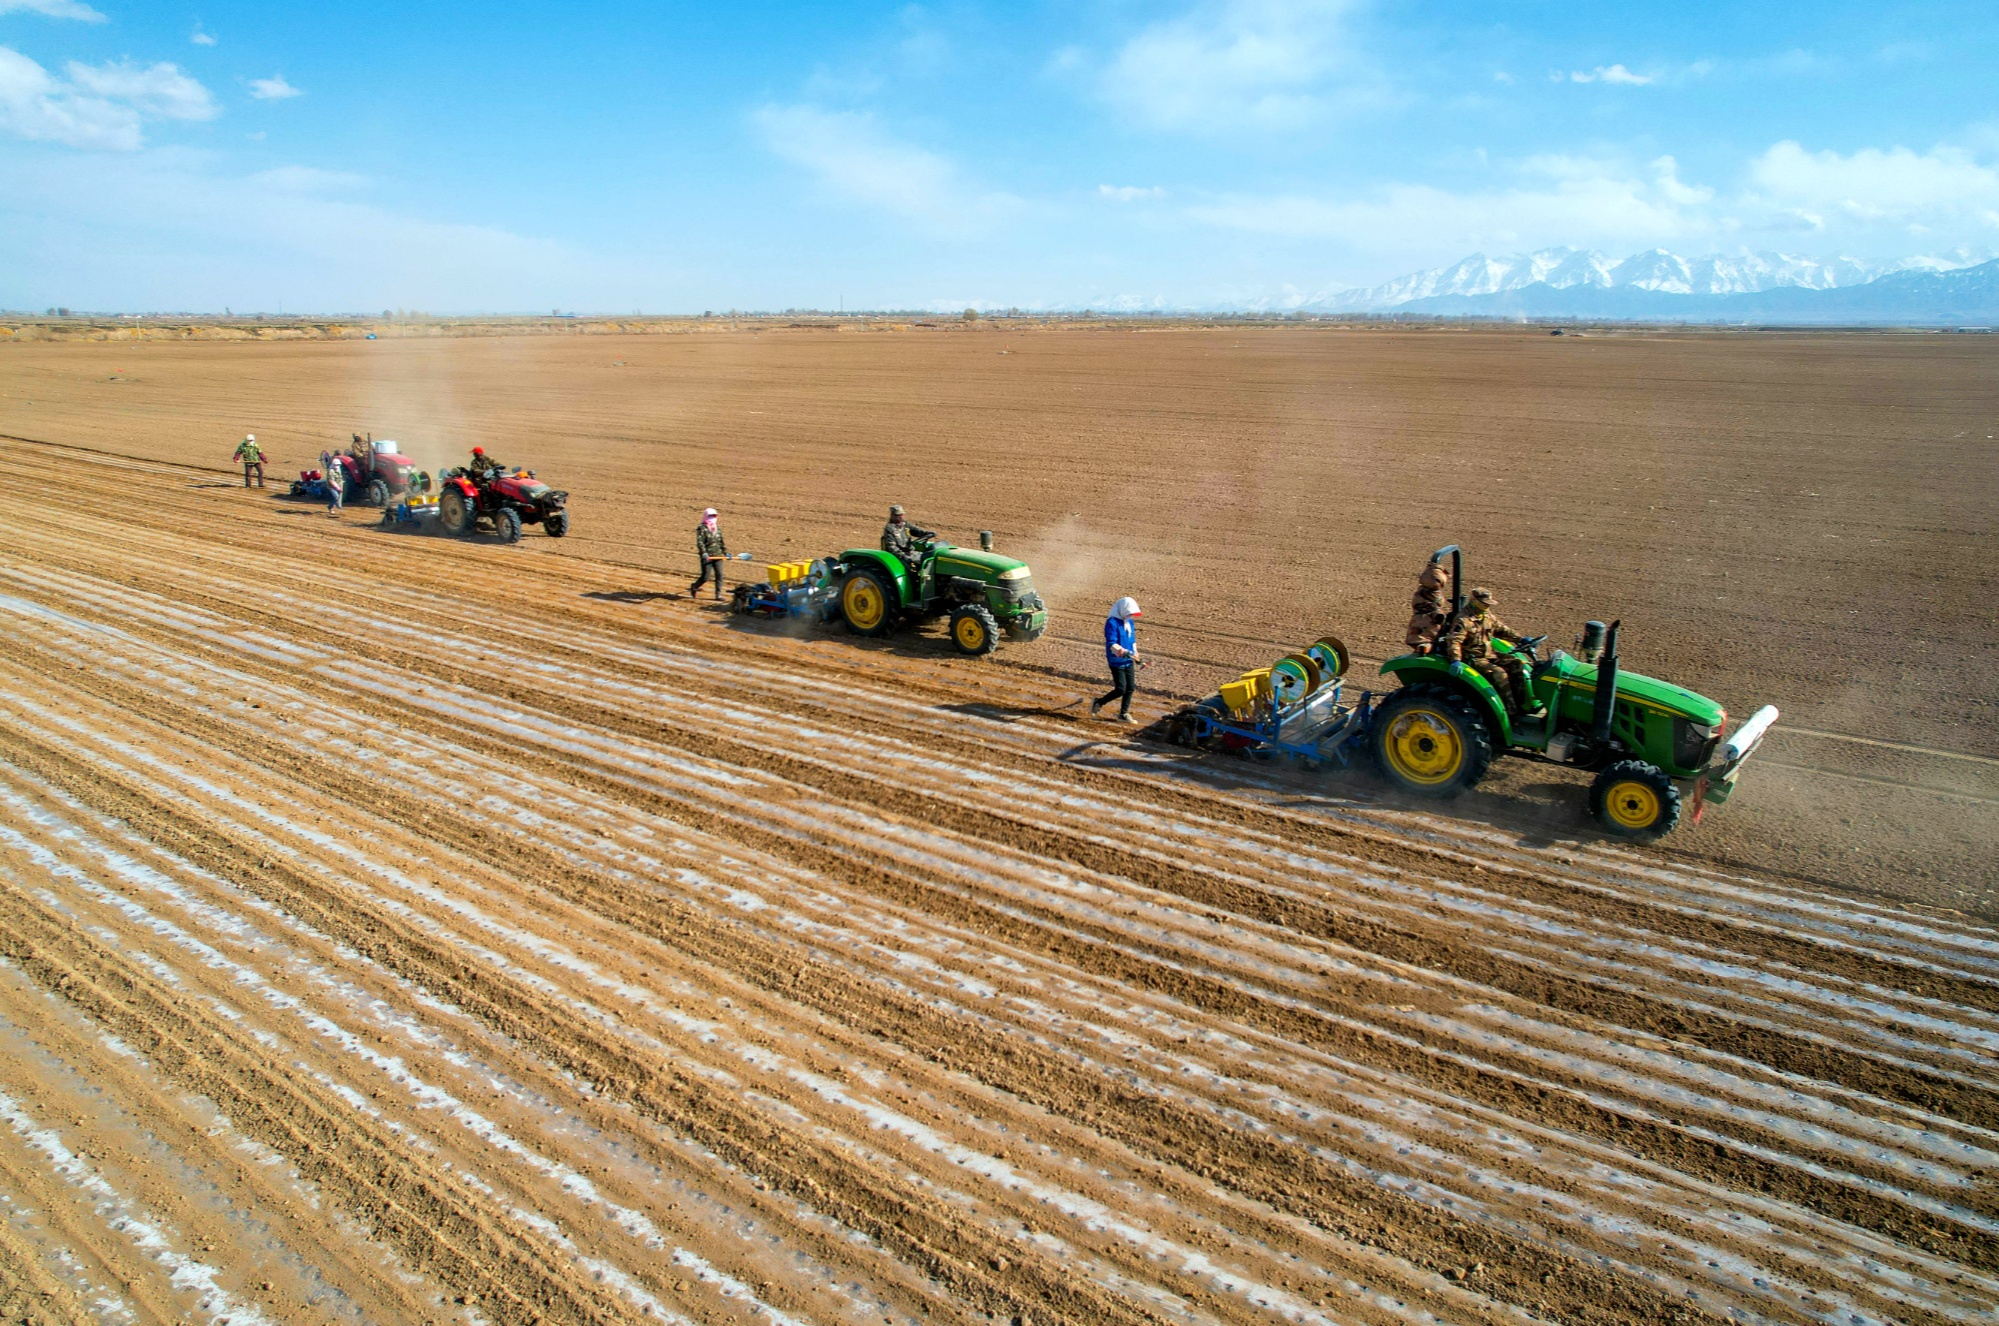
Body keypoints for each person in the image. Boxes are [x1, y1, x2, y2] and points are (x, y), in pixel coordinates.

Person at [1441, 587, 1532, 714]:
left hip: (1489, 654)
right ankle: (1509, 713)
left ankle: (1521, 704)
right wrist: (1456, 659)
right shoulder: (1463, 620)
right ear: (1474, 602)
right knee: (1500, 674)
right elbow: (1454, 640)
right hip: (1473, 657)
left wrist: (1520, 639)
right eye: (1484, 603)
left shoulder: (1486, 615)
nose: (1486, 606)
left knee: (1518, 665)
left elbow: (1501, 629)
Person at [1090, 596, 1144, 723]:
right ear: (1122, 609)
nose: (1130, 616)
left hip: (1128, 660)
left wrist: (1135, 652)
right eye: (1128, 613)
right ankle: (1099, 702)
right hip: (1116, 660)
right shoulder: (1112, 622)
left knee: (1130, 687)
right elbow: (1111, 643)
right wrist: (1120, 650)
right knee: (1121, 689)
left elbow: (1132, 640)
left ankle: (1123, 714)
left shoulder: (1130, 622)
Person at [1404, 558, 1450, 654]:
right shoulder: (1424, 593)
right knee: (1424, 636)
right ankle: (1424, 647)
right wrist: (1436, 612)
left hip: (1429, 620)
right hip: (1425, 621)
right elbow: (1421, 605)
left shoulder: (1430, 592)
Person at [880, 505, 935, 571]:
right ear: (892, 515)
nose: (900, 517)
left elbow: (916, 530)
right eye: (898, 515)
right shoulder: (889, 528)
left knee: (929, 557)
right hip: (899, 555)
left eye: (901, 514)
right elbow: (892, 547)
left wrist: (926, 533)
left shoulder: (905, 523)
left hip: (910, 551)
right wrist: (903, 556)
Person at [690, 507, 728, 600]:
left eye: (714, 516)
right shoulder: (702, 528)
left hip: (718, 555)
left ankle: (718, 595)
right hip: (708, 556)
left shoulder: (717, 528)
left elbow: (721, 541)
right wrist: (704, 553)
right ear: (706, 516)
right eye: (710, 516)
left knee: (720, 575)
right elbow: (700, 542)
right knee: (705, 577)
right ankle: (694, 587)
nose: (713, 517)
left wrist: (725, 552)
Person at [319, 449, 345, 517]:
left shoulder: (338, 469)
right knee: (336, 496)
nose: (337, 466)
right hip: (331, 486)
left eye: (338, 465)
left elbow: (340, 476)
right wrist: (338, 488)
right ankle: (331, 507)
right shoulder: (331, 471)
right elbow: (331, 481)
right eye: (335, 465)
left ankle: (334, 506)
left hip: (338, 484)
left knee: (337, 497)